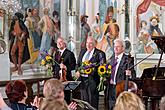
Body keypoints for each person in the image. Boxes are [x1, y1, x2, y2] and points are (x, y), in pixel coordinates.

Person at [76, 36, 106, 109]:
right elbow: (78, 64)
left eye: (90, 43)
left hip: (93, 81)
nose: (88, 45)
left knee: (93, 103)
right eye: (87, 43)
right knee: (84, 102)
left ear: (95, 44)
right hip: (82, 80)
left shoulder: (100, 53)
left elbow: (101, 68)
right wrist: (77, 71)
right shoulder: (82, 51)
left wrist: (91, 70)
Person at [107, 38, 136, 110]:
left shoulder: (128, 59)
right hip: (110, 88)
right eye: (114, 46)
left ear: (123, 48)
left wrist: (130, 74)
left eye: (118, 46)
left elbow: (133, 75)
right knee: (111, 107)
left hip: (120, 88)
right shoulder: (111, 59)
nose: (115, 48)